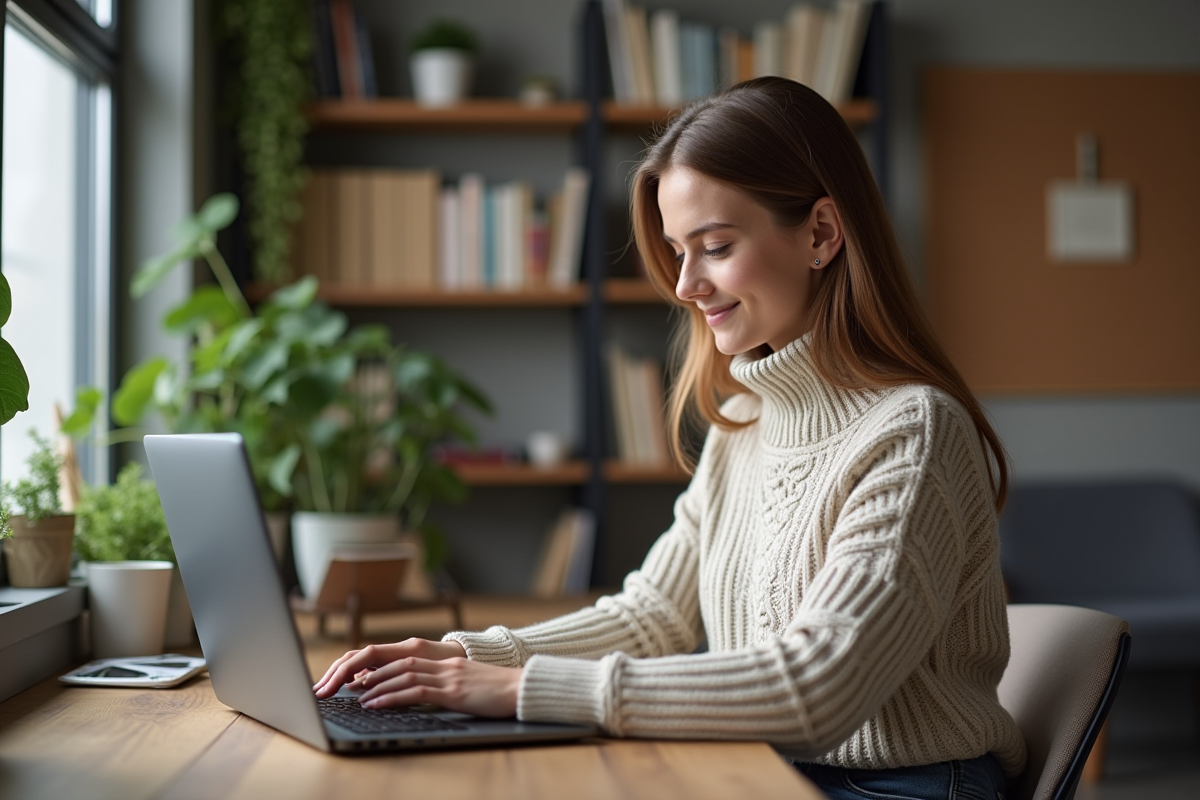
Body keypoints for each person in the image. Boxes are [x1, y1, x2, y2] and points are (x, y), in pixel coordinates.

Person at [314, 77, 1025, 800]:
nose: (686, 284)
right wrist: (469, 656)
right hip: (779, 770)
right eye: (679, 251)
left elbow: (816, 690)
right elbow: (654, 616)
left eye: (714, 247)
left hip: (903, 786)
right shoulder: (745, 423)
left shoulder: (913, 431)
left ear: (820, 234)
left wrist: (521, 687)